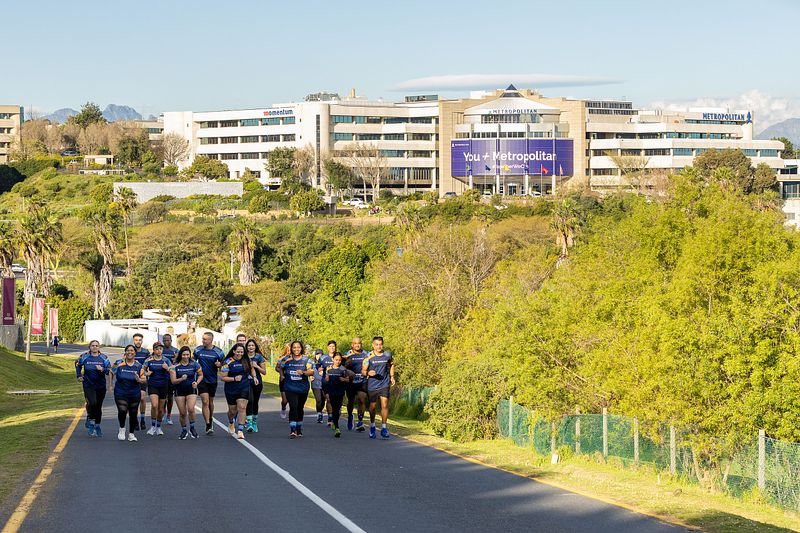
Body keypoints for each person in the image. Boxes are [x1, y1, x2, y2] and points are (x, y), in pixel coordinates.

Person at [220, 343, 257, 440]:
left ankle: (240, 430)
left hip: (244, 387)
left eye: (241, 352)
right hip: (231, 389)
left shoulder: (246, 360)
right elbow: (222, 378)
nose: (240, 354)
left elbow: (252, 369)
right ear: (233, 351)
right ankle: (231, 421)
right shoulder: (227, 362)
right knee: (232, 411)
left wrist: (254, 377)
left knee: (242, 407)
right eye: (238, 352)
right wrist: (234, 378)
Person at [75, 340, 111, 437]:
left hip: (100, 385)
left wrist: (102, 369)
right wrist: (78, 375)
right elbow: (78, 365)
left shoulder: (104, 358)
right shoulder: (84, 356)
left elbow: (109, 370)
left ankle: (97, 425)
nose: (94, 347)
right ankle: (91, 422)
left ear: (99, 347)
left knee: (98, 406)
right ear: (89, 347)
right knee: (92, 402)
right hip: (88, 384)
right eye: (92, 345)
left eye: (96, 345)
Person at [278, 341, 314, 438]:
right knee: (293, 406)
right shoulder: (286, 359)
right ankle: (293, 430)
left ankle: (299, 428)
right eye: (294, 347)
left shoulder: (307, 359)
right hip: (290, 387)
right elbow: (279, 367)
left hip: (303, 388)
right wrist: (282, 375)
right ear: (291, 348)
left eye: (298, 347)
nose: (296, 349)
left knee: (300, 408)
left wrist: (303, 372)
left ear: (301, 348)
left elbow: (312, 372)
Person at [362, 336, 395, 439]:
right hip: (372, 385)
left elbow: (392, 364)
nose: (379, 346)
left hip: (384, 383)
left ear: (382, 345)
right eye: (376, 344)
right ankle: (372, 426)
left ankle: (384, 428)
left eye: (380, 344)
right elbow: (363, 371)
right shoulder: (368, 357)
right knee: (372, 407)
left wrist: (392, 376)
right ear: (373, 345)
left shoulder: (387, 355)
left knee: (384, 404)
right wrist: (368, 373)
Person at [193, 332, 226, 435]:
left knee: (210, 402)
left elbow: (224, 363)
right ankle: (207, 424)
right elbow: (193, 361)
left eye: (205, 339)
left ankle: (210, 419)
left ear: (211, 340)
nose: (203, 341)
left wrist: (219, 364)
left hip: (212, 380)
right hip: (201, 379)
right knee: (205, 401)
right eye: (203, 339)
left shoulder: (219, 352)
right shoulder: (198, 350)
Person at [111, 345, 144, 442]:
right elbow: (111, 372)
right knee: (122, 411)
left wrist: (139, 380)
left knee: (133, 413)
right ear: (125, 352)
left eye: (132, 351)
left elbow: (144, 379)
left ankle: (131, 434)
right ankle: (122, 429)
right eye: (128, 350)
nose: (130, 352)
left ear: (135, 353)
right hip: (121, 392)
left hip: (134, 393)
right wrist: (110, 385)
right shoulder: (118, 363)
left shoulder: (139, 366)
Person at [170, 346, 203, 440]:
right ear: (181, 355)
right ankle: (184, 429)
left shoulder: (194, 364)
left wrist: (196, 382)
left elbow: (201, 375)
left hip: (191, 389)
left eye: (187, 354)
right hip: (179, 390)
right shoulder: (174, 365)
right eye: (184, 354)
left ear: (190, 355)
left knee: (191, 409)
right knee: (182, 413)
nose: (186, 356)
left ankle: (192, 428)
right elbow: (173, 381)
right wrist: (181, 379)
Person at [141, 342, 171, 436]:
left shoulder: (166, 360)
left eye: (160, 349)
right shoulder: (149, 360)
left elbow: (173, 371)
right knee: (154, 405)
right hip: (153, 385)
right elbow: (142, 370)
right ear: (153, 350)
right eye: (157, 349)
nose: (159, 351)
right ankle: (153, 426)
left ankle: (158, 427)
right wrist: (146, 374)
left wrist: (167, 368)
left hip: (164, 385)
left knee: (161, 409)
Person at [324, 352, 355, 438]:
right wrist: (327, 379)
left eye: (339, 360)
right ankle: (336, 424)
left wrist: (344, 379)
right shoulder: (328, 369)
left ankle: (336, 426)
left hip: (340, 391)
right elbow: (326, 380)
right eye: (336, 360)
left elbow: (348, 380)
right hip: (331, 390)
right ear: (333, 360)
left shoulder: (343, 369)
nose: (338, 361)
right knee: (334, 409)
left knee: (337, 409)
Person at [344, 337, 369, 432]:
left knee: (362, 399)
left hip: (362, 381)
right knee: (351, 401)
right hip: (351, 382)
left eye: (359, 343)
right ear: (352, 344)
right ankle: (350, 416)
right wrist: (348, 370)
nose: (357, 345)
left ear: (361, 344)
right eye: (355, 343)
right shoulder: (348, 354)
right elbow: (342, 367)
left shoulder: (366, 354)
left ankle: (360, 421)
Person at [245, 339, 267, 433]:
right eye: (249, 345)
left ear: (255, 347)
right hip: (246, 382)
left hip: (257, 382)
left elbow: (264, 372)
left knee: (255, 402)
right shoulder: (244, 357)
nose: (251, 347)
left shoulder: (259, 357)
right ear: (247, 347)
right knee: (250, 400)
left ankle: (254, 422)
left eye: (252, 345)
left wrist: (257, 366)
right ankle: (249, 423)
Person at [132, 333, 151, 431]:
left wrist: (148, 372)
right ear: (133, 341)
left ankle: (142, 419)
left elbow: (150, 363)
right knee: (134, 401)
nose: (138, 342)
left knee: (142, 398)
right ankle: (135, 420)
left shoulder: (146, 352)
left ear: (142, 341)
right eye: (136, 340)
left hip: (143, 378)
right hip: (131, 379)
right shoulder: (130, 351)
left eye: (139, 340)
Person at [161, 333, 179, 426]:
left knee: (170, 397)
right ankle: (163, 411)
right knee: (163, 397)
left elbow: (180, 363)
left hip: (172, 377)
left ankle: (168, 416)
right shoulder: (160, 350)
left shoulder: (175, 351)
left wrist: (176, 360)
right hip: (161, 377)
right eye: (164, 340)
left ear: (171, 340)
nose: (166, 342)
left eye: (168, 340)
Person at [274, 343, 291, 419]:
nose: (290, 351)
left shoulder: (297, 358)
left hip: (293, 380)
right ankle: (283, 408)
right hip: (283, 379)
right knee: (285, 400)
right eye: (288, 350)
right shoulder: (282, 359)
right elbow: (277, 368)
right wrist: (282, 374)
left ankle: (292, 415)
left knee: (292, 399)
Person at [310, 349, 326, 424]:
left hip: (324, 384)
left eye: (320, 354)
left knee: (323, 400)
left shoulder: (325, 363)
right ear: (315, 355)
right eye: (317, 354)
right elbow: (308, 370)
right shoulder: (312, 363)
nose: (319, 356)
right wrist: (310, 376)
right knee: (318, 399)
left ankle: (321, 411)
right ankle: (319, 414)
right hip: (315, 384)